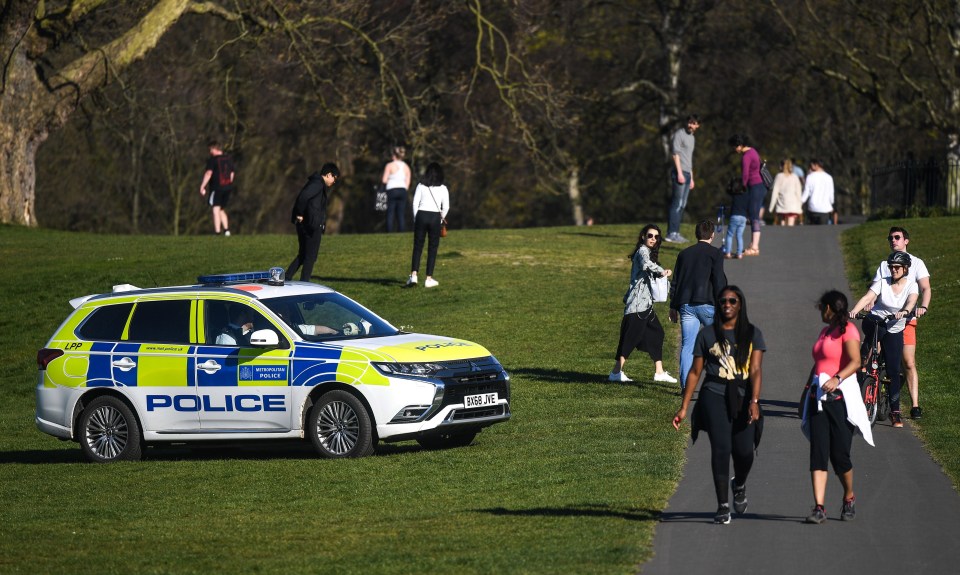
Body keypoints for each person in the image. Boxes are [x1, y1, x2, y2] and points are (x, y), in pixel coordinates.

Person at [672, 286, 765, 524]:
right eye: (723, 301)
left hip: (743, 395)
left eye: (732, 301)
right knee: (721, 449)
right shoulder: (707, 335)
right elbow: (695, 371)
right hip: (713, 394)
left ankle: (740, 484)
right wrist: (684, 408)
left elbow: (755, 370)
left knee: (745, 452)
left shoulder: (752, 334)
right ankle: (723, 506)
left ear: (740, 305)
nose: (727, 304)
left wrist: (754, 401)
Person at [800, 290, 871, 524]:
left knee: (840, 456)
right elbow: (819, 364)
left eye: (822, 307)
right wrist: (807, 388)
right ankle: (819, 507)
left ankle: (848, 496)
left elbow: (856, 361)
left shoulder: (848, 330)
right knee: (818, 452)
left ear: (830, 308)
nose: (820, 311)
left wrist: (837, 379)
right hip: (818, 398)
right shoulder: (824, 332)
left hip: (840, 400)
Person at [849, 251, 919, 428]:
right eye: (891, 267)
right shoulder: (883, 283)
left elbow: (911, 301)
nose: (893, 270)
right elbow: (868, 297)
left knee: (894, 370)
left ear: (905, 269)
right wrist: (854, 310)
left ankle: (895, 413)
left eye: (897, 267)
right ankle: (865, 362)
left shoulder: (912, 286)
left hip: (895, 327)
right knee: (871, 339)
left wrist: (904, 311)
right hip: (875, 321)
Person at [873, 226, 931, 419]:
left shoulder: (917, 263)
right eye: (890, 238)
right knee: (873, 356)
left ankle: (915, 405)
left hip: (906, 319)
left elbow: (925, 288)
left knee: (908, 361)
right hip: (884, 318)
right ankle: (870, 393)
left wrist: (923, 306)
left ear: (906, 240)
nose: (893, 240)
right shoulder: (884, 264)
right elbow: (875, 288)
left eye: (897, 237)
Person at [609, 225, 677, 383]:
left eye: (656, 237)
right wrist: (662, 271)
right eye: (650, 235)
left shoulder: (647, 252)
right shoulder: (642, 251)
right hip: (638, 306)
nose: (653, 239)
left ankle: (659, 372)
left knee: (657, 333)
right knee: (630, 339)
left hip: (645, 306)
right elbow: (646, 265)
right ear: (643, 236)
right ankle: (615, 372)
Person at [668, 220, 727, 390]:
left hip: (686, 305)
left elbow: (676, 281)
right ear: (712, 235)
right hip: (708, 304)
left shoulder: (684, 254)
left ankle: (686, 386)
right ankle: (720, 382)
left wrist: (673, 305)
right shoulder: (715, 254)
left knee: (687, 345)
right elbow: (718, 281)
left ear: (696, 234)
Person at [286, 163, 339, 282]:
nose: (334, 181)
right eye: (334, 178)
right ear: (329, 175)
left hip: (309, 224)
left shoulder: (315, 183)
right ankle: (304, 283)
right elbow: (303, 197)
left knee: (304, 254)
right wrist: (299, 214)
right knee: (310, 257)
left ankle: (286, 277)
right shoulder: (317, 184)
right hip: (311, 226)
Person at [406, 162, 449, 288]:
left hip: (421, 215)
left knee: (418, 246)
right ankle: (428, 278)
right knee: (432, 248)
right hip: (435, 217)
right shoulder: (443, 188)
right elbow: (446, 207)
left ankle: (414, 275)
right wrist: (441, 220)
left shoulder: (421, 186)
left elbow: (415, 203)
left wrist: (416, 218)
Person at [665, 114, 701, 243]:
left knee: (683, 204)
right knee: (677, 203)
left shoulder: (692, 138)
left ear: (698, 125)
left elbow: (689, 159)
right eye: (690, 122)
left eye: (694, 123)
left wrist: (691, 177)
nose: (691, 125)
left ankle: (676, 233)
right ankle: (671, 233)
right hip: (679, 172)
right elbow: (675, 154)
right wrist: (679, 173)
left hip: (687, 173)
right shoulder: (679, 134)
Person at [728, 134, 765, 256]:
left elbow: (745, 175)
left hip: (754, 186)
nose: (734, 149)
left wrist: (741, 188)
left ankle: (755, 247)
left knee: (754, 216)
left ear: (739, 145)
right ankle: (753, 244)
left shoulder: (746, 156)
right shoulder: (753, 151)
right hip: (760, 186)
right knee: (754, 215)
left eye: (734, 146)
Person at [199, 141, 236, 236]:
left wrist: (202, 186)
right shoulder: (228, 159)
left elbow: (208, 173)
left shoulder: (213, 160)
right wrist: (229, 183)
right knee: (221, 209)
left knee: (215, 209)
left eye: (210, 149)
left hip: (217, 188)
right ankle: (227, 231)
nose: (210, 151)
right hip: (227, 187)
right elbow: (232, 173)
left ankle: (217, 233)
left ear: (214, 149)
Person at [382, 146, 412, 233]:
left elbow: (384, 180)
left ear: (394, 155)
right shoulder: (406, 167)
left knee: (390, 212)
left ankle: (389, 232)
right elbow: (408, 181)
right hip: (402, 190)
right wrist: (404, 188)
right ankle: (401, 232)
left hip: (392, 190)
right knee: (401, 213)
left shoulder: (389, 165)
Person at [769, 159, 803, 226]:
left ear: (782, 166)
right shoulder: (795, 177)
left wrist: (771, 207)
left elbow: (775, 193)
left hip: (782, 205)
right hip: (793, 205)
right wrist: (800, 206)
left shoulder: (779, 176)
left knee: (782, 223)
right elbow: (798, 193)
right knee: (791, 224)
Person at [722, 178, 750, 259]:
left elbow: (728, 190)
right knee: (739, 235)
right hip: (743, 217)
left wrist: (729, 184)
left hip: (734, 216)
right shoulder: (746, 195)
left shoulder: (734, 195)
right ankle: (739, 253)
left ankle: (728, 253)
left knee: (730, 234)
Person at [800, 160, 835, 225]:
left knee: (813, 230)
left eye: (811, 166)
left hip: (813, 207)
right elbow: (831, 193)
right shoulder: (829, 177)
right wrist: (831, 203)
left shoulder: (810, 177)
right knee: (823, 230)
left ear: (816, 165)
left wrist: (800, 202)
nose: (810, 168)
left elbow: (806, 193)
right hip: (825, 208)